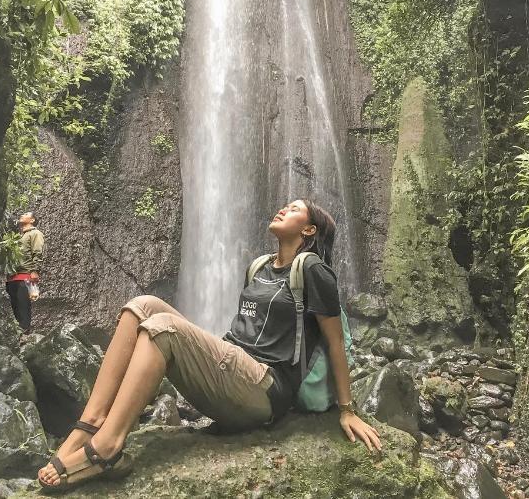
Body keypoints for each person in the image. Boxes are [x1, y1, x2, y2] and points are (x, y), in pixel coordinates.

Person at [38, 199, 381, 491]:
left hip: (265, 388)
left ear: (309, 231)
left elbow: (335, 343)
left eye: (292, 210)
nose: (282, 210)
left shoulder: (314, 270)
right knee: (140, 307)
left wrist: (347, 410)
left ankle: (109, 446)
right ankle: (90, 424)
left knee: (164, 328)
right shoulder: (260, 267)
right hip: (233, 372)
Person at [6, 211, 44, 337]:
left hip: (26, 275)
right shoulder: (18, 237)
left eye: (26, 214)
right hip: (12, 277)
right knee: (14, 306)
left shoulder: (35, 233)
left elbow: (37, 252)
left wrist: (35, 271)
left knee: (23, 305)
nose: (22, 215)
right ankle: (17, 333)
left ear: (32, 220)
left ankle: (25, 332)